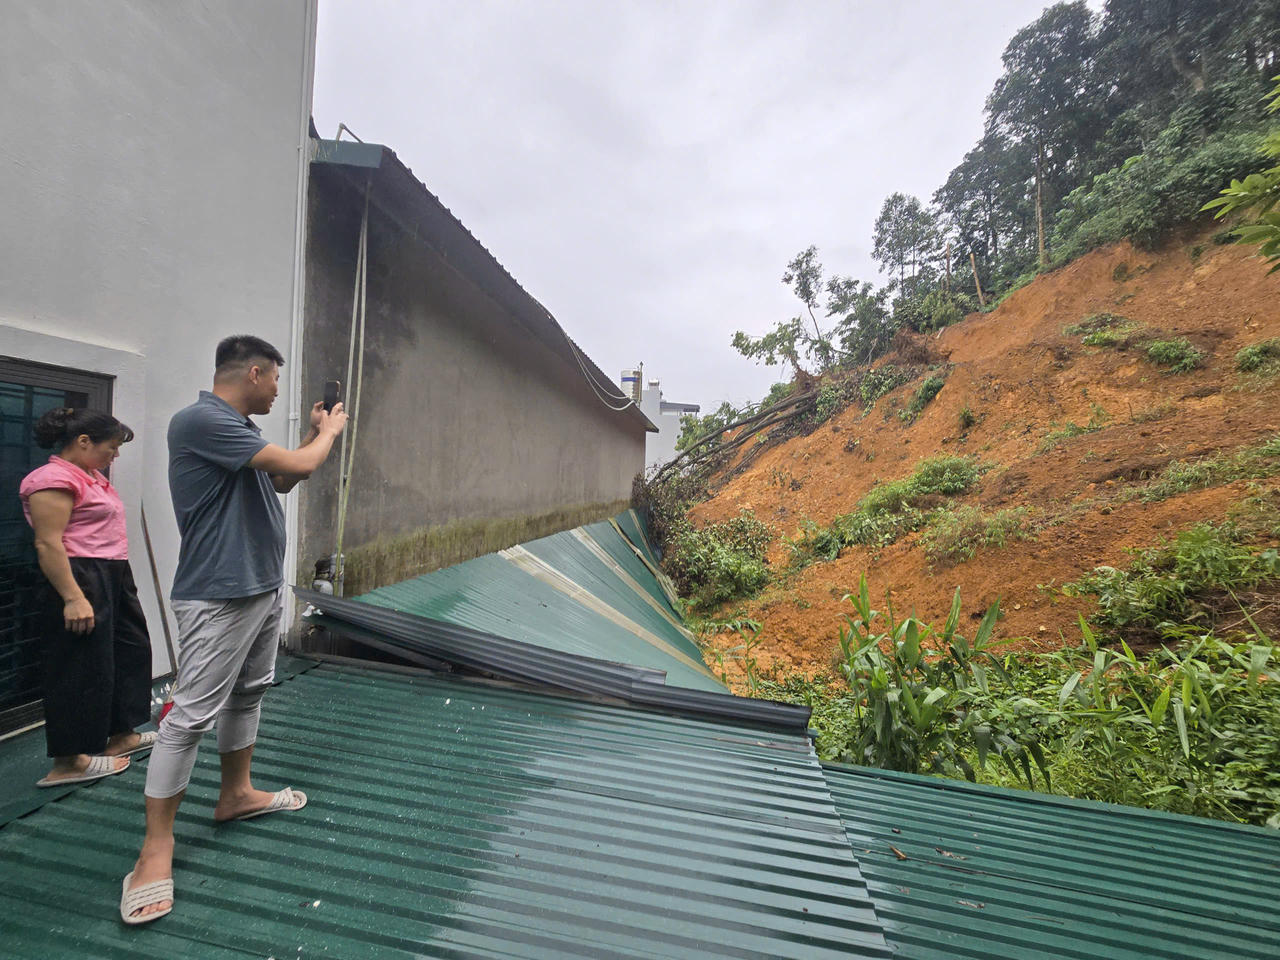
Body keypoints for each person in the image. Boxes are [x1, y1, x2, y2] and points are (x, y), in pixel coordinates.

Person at [120, 335, 348, 925]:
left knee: (247, 694)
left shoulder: (236, 432)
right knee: (192, 713)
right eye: (274, 379)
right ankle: (154, 850)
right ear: (252, 372)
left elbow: (280, 480)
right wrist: (329, 433)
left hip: (260, 586)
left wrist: (307, 441)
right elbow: (301, 464)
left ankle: (236, 795)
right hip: (218, 594)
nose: (278, 389)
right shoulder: (201, 420)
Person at [20, 408, 154, 788]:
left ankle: (120, 735)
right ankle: (68, 761)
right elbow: (48, 543)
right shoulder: (51, 479)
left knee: (127, 650)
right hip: (80, 575)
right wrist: (73, 598)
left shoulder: (90, 477)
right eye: (110, 448)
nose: (115, 456)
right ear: (83, 442)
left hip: (112, 573)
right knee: (79, 664)